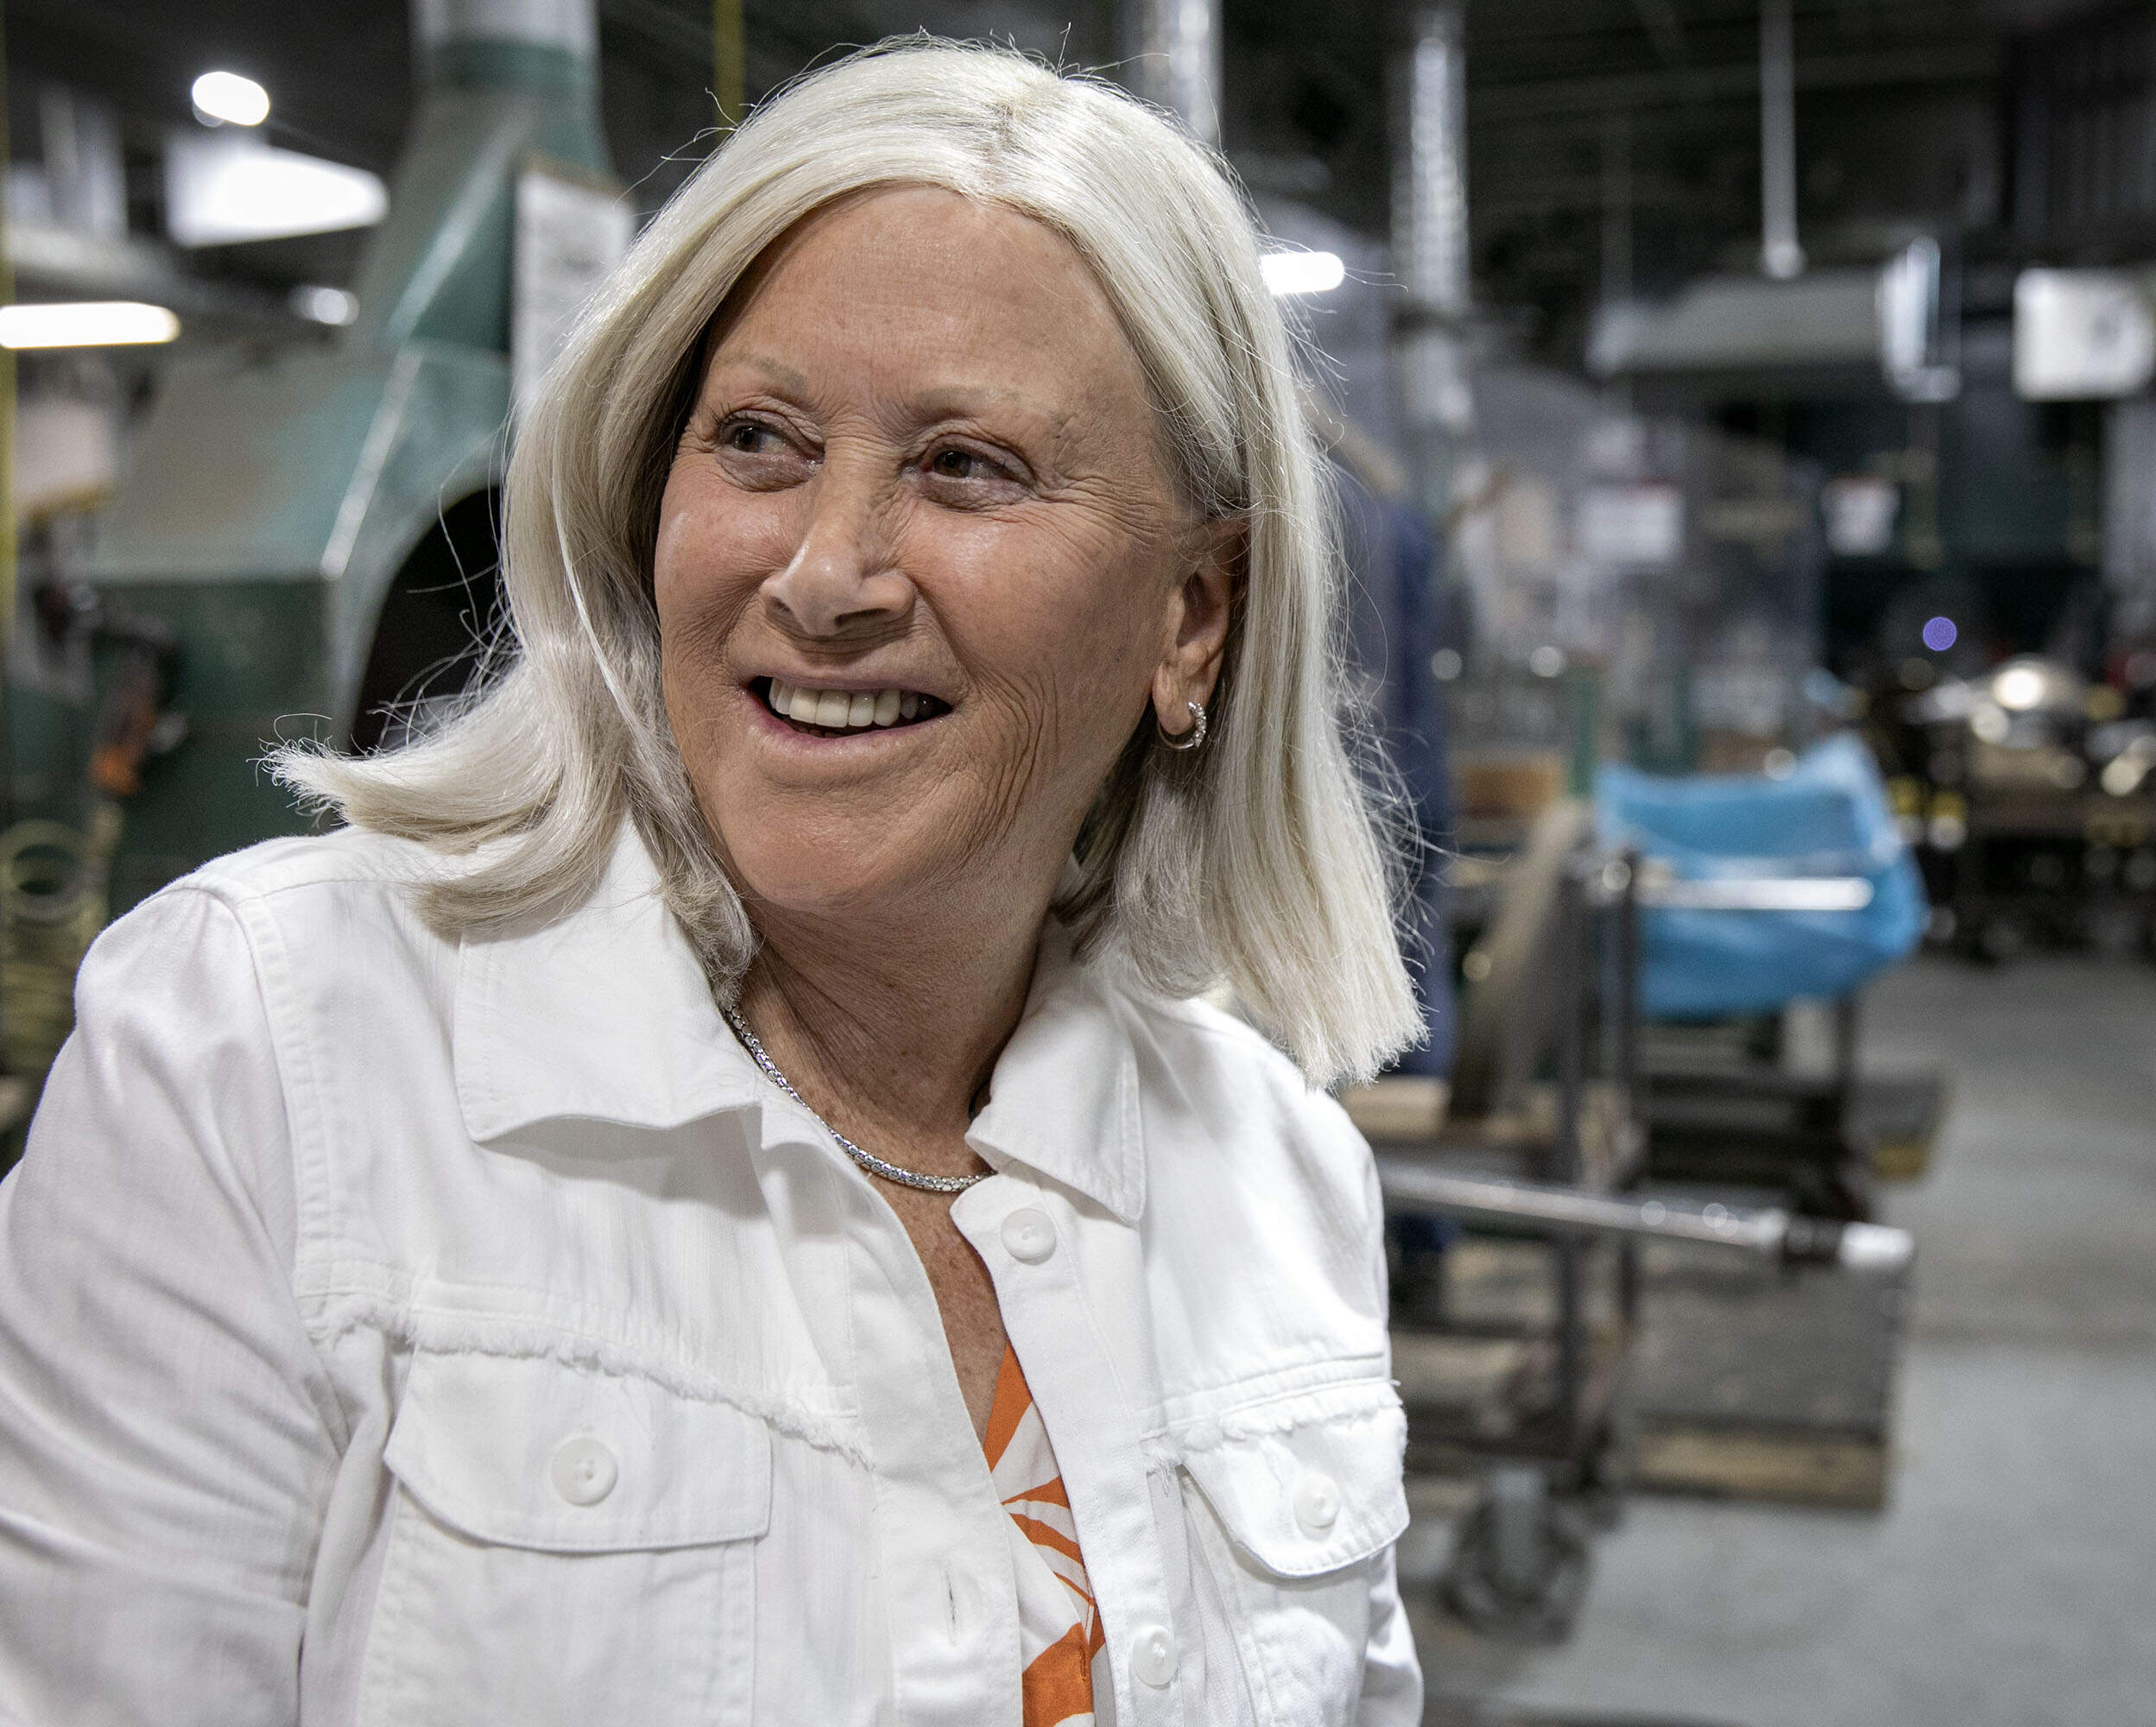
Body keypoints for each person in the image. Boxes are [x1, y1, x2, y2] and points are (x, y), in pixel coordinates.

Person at [0, 41, 1424, 1727]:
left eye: (966, 465)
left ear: (1194, 615)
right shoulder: (264, 1061)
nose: (821, 574)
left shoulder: (1274, 1177)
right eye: (756, 439)